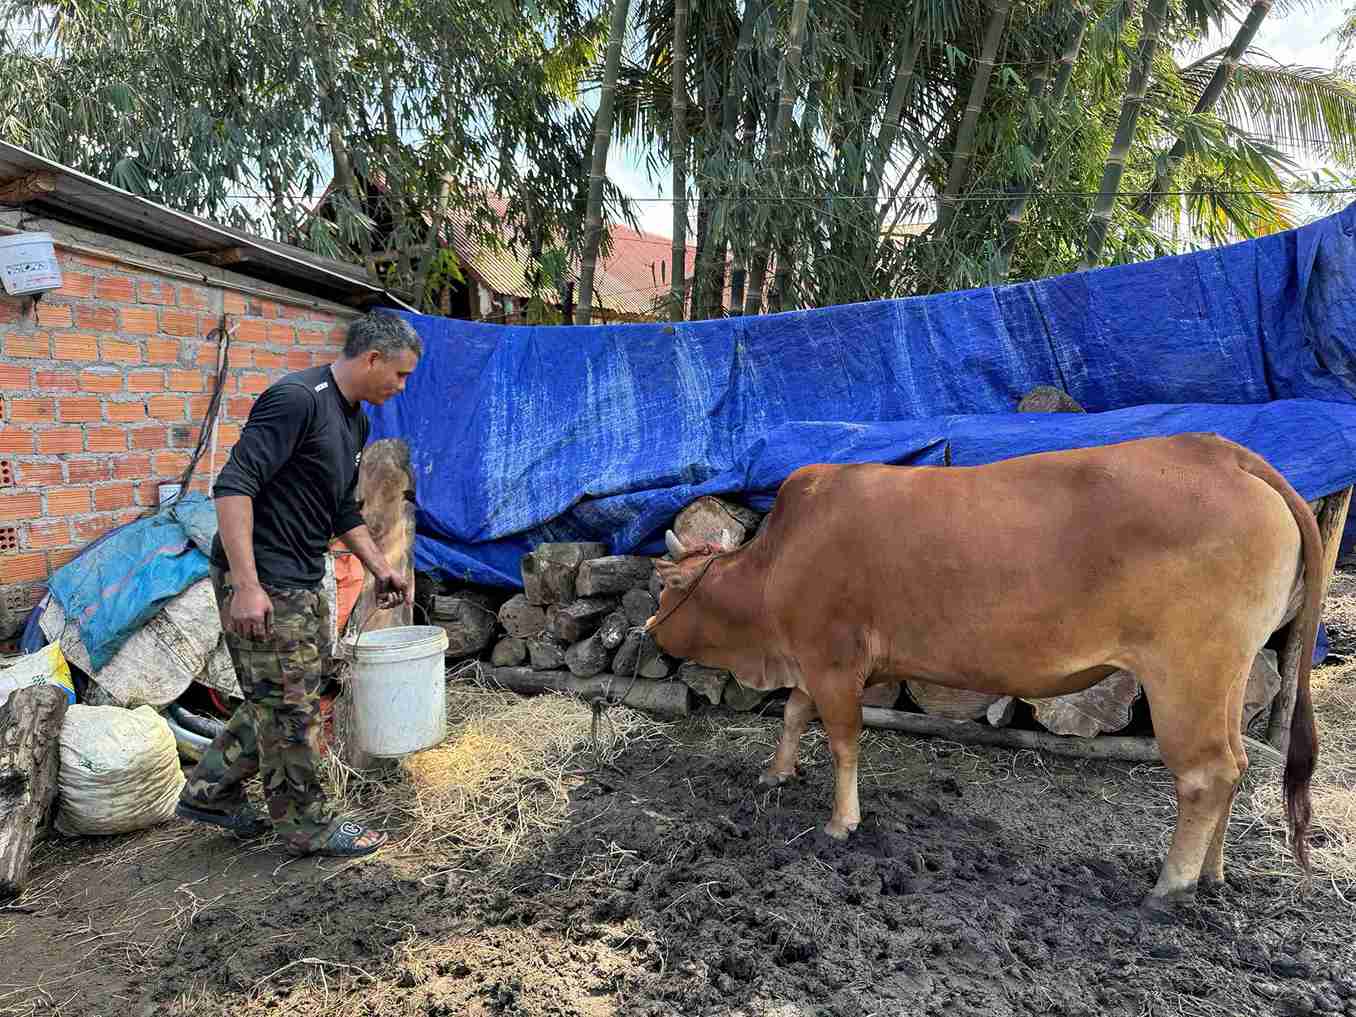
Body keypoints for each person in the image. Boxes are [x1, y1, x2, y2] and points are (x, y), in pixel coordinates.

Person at [176, 311, 421, 857]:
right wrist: (246, 585)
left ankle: (208, 791)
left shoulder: (354, 419)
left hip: (303, 572)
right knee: (293, 707)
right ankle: (310, 824)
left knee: (287, 692)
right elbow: (233, 487)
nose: (401, 387)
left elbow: (339, 508)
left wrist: (381, 566)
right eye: (400, 375)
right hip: (264, 577)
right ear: (372, 357)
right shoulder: (296, 400)